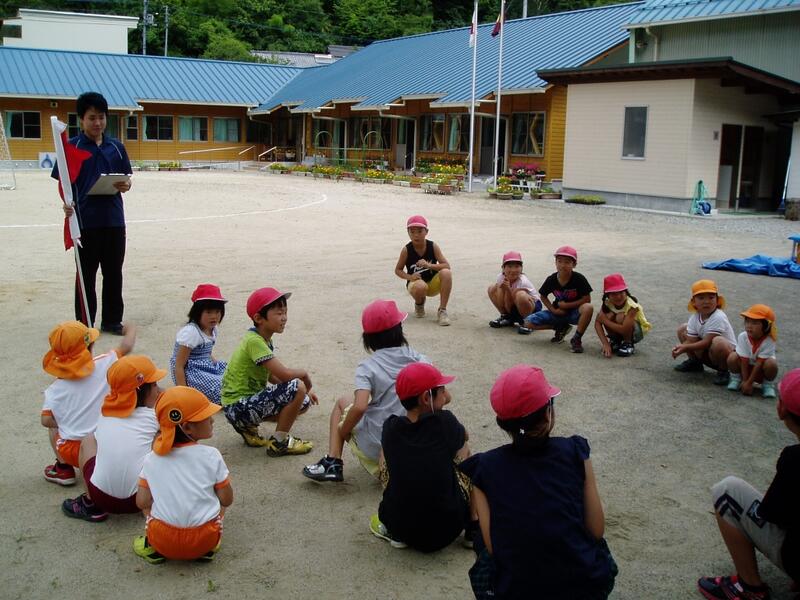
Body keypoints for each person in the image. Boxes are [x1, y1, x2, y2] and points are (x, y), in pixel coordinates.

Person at [459, 365, 617, 599]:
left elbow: (493, 547)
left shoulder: (485, 467)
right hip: (583, 587)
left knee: (484, 547)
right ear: (547, 414)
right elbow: (596, 529)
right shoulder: (574, 452)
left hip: (517, 590)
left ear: (502, 422)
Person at [697, 368, 800, 600]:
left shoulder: (794, 459)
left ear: (782, 410)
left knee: (727, 491)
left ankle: (750, 588)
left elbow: (773, 515)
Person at [302, 299, 426, 482]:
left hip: (379, 442)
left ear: (368, 339)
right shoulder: (420, 359)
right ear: (400, 330)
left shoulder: (368, 367)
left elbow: (360, 406)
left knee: (342, 403)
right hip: (415, 440)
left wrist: (343, 430)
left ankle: (333, 461)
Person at [369, 362, 472, 553]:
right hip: (449, 528)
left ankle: (395, 534)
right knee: (465, 449)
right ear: (426, 398)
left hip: (400, 526)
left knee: (385, 451)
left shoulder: (391, 428)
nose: (446, 394)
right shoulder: (445, 423)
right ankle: (473, 529)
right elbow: (465, 436)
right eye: (442, 390)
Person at [52, 91, 132, 333]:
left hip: (114, 220)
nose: (97, 123)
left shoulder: (116, 147)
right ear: (81, 119)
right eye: (92, 118)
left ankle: (112, 321)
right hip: (85, 222)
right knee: (85, 275)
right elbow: (63, 184)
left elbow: (126, 179)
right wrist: (66, 204)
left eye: (101, 117)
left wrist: (126, 185)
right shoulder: (70, 148)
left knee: (113, 273)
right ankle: (84, 324)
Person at [134, 386, 233, 564]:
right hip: (204, 539)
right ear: (187, 427)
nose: (212, 420)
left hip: (162, 539)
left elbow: (142, 502)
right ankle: (207, 550)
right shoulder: (212, 455)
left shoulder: (151, 459)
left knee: (150, 505)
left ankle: (152, 547)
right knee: (219, 498)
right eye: (206, 417)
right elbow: (227, 499)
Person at [61, 355, 163, 522]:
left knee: (88, 440)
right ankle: (159, 503)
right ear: (141, 391)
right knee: (161, 439)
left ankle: (90, 504)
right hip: (140, 499)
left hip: (100, 496)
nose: (159, 390)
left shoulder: (106, 413)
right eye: (154, 385)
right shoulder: (154, 416)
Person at [220, 287, 317, 456]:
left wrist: (299, 393)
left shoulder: (263, 339)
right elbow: (284, 374)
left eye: (285, 312)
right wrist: (304, 376)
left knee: (303, 400)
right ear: (259, 318)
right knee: (298, 387)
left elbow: (272, 376)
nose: (284, 317)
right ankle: (279, 442)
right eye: (279, 313)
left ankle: (248, 429)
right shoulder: (254, 341)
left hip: (239, 407)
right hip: (237, 407)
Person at [41, 321, 136, 486]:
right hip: (106, 443)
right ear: (90, 346)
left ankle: (63, 469)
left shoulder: (54, 390)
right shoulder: (104, 363)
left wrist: (67, 420)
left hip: (73, 450)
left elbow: (46, 420)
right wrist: (131, 328)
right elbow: (126, 346)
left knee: (53, 425)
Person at [518, 245, 594, 354]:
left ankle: (577, 338)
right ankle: (560, 327)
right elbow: (543, 296)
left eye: (567, 262)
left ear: (574, 264)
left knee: (588, 308)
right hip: (557, 312)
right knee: (527, 323)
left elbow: (587, 299)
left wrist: (567, 306)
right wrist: (553, 310)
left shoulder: (579, 279)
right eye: (559, 261)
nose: (562, 265)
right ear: (555, 262)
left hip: (574, 313)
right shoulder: (552, 279)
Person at [170, 284, 228, 405]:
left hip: (206, 366)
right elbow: (179, 365)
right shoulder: (191, 332)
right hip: (191, 372)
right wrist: (184, 393)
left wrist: (217, 365)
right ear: (197, 312)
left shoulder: (212, 329)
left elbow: (207, 353)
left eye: (217, 312)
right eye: (208, 312)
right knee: (221, 387)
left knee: (233, 373)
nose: (214, 316)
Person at [672, 279, 737, 385]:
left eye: (711, 297)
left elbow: (707, 342)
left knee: (719, 341)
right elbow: (691, 340)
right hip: (708, 353)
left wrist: (685, 347)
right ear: (693, 302)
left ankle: (724, 371)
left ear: (717, 300)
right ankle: (695, 363)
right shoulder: (695, 317)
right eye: (701, 298)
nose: (706, 302)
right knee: (683, 329)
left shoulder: (718, 316)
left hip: (725, 357)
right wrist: (680, 347)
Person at [394, 215, 453, 326]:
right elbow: (398, 270)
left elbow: (446, 265)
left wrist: (428, 265)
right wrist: (410, 277)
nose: (416, 235)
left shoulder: (433, 246)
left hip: (432, 283)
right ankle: (419, 304)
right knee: (420, 286)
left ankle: (442, 310)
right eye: (412, 232)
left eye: (420, 231)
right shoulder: (406, 250)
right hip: (416, 284)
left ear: (426, 232)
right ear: (408, 232)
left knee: (446, 273)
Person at [726, 304, 779, 398]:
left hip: (761, 370)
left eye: (755, 323)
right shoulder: (743, 336)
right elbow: (744, 360)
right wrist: (745, 381)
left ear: (766, 326)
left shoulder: (770, 340)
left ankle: (767, 384)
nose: (749, 326)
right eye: (747, 322)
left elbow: (759, 363)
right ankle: (736, 379)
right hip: (745, 368)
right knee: (732, 357)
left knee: (771, 364)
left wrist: (749, 383)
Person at [593, 273, 651, 358]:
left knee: (619, 317)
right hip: (620, 329)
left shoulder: (632, 306)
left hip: (636, 332)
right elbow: (597, 322)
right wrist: (605, 344)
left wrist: (605, 321)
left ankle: (628, 343)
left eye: (621, 292)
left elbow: (624, 329)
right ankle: (615, 341)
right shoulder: (607, 303)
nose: (618, 297)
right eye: (613, 294)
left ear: (626, 292)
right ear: (607, 296)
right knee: (609, 315)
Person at [487, 251, 542, 328]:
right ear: (503, 268)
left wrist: (508, 290)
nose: (513, 270)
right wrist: (505, 290)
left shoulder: (522, 281)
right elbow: (503, 303)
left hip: (532, 309)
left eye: (517, 266)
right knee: (492, 288)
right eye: (509, 266)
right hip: (514, 307)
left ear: (521, 268)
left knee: (520, 295)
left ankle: (529, 322)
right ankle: (506, 317)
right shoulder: (501, 278)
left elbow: (510, 305)